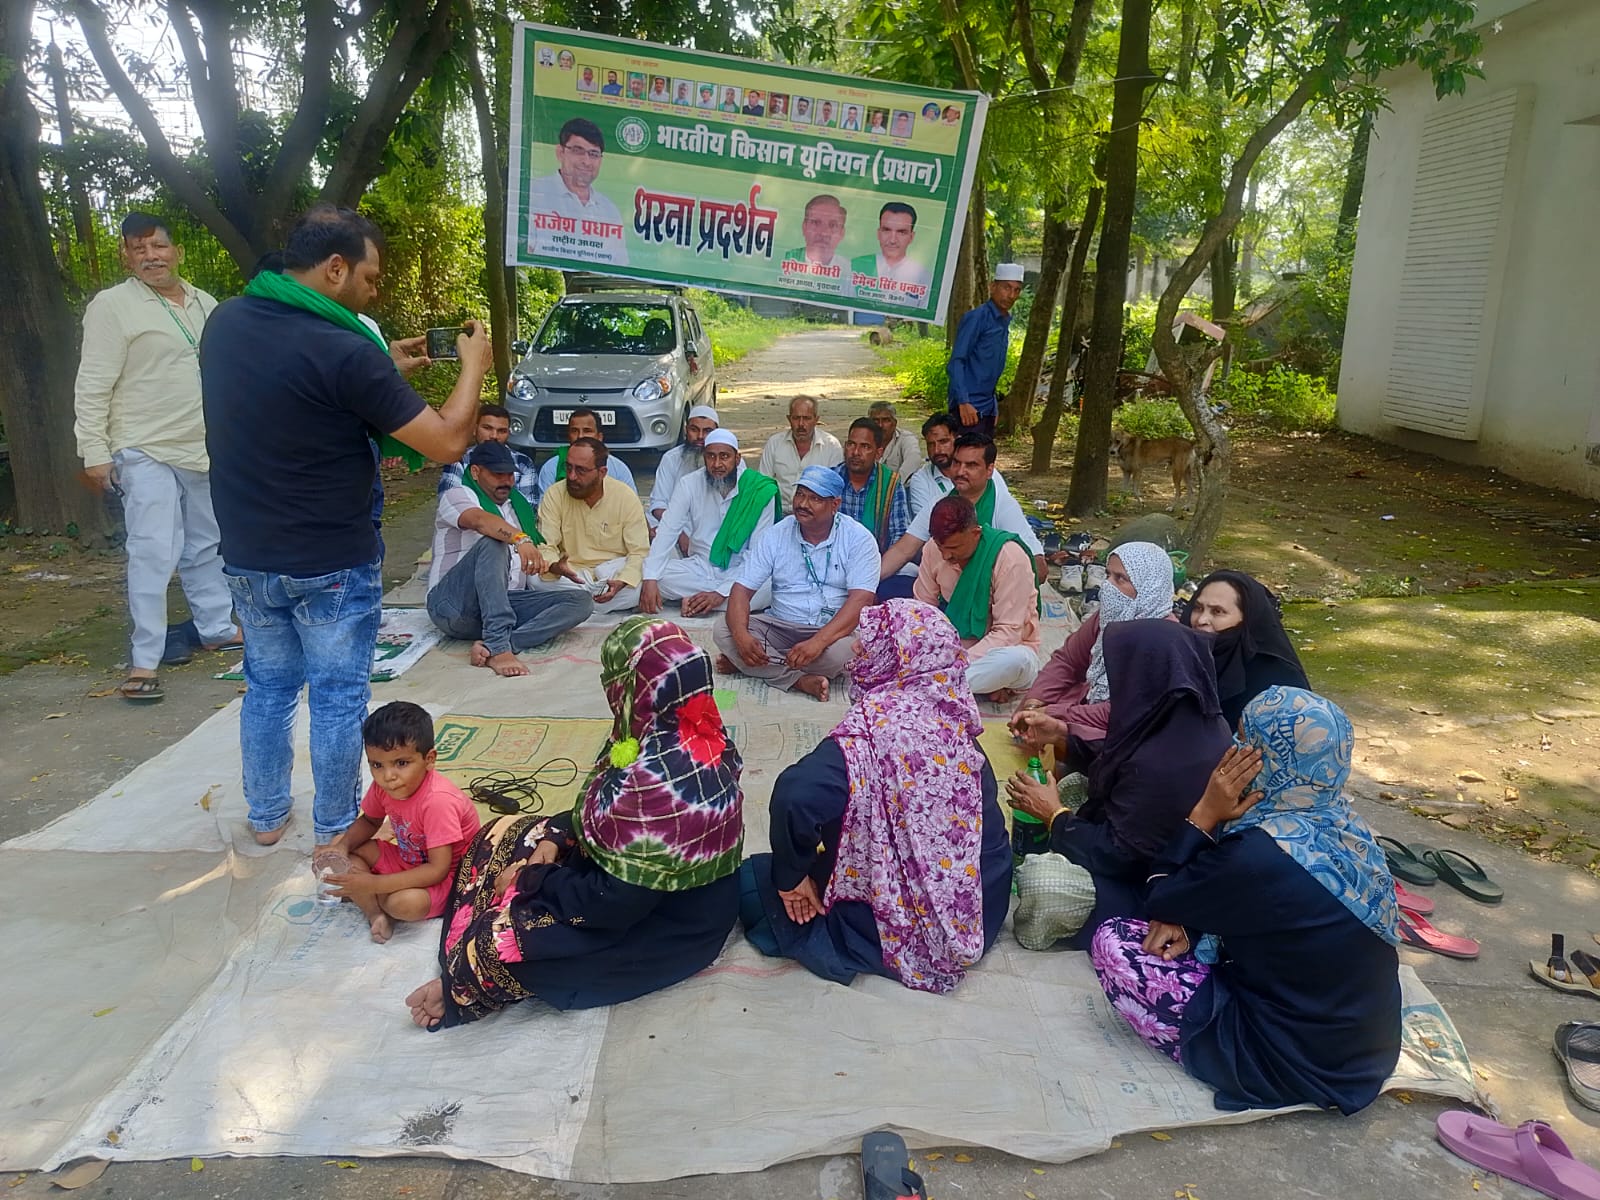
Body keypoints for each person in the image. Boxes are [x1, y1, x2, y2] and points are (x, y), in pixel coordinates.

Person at [202, 204, 489, 848]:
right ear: (336, 268)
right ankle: (336, 827)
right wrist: (474, 364)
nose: (374, 291)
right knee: (335, 698)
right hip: (329, 558)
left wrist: (382, 365)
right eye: (369, 278)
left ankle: (268, 815)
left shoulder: (226, 322)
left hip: (248, 553)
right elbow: (445, 442)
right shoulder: (345, 353)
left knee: (268, 689)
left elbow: (294, 394)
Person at [405, 619, 744, 1028]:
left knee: (497, 946)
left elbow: (610, 906)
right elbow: (604, 811)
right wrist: (559, 834)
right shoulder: (683, 729)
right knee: (505, 832)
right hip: (628, 885)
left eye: (615, 679)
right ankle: (479, 940)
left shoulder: (660, 783)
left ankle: (459, 983)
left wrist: (533, 880)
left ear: (634, 686)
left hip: (661, 926)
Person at [1086, 686, 1402, 1115]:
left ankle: (1216, 1054)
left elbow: (1159, 894)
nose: (1230, 751)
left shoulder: (1262, 853)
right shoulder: (1346, 826)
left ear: (1266, 755)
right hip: (1364, 1052)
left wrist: (1204, 813)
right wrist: (1193, 921)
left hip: (1292, 1061)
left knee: (1115, 941)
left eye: (1242, 739)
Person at [738, 599, 1012, 992]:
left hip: (907, 924)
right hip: (982, 906)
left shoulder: (872, 734)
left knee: (751, 883)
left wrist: (791, 876)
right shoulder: (954, 717)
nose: (856, 650)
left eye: (870, 644)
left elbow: (795, 795)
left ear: (894, 657)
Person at [74, 211, 238, 703]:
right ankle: (145, 658)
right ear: (127, 256)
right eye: (139, 249)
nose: (151, 257)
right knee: (152, 549)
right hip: (142, 445)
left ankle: (215, 626)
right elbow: (93, 382)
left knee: (207, 542)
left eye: (159, 247)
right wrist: (94, 451)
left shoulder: (204, 303)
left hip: (202, 445)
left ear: (176, 252)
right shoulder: (112, 306)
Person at [1005, 620, 1231, 947]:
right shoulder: (1183, 715)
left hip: (1147, 882)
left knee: (1042, 883)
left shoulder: (1165, 763)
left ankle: (1108, 923)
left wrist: (1054, 815)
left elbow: (1120, 854)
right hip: (1138, 832)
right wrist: (1061, 735)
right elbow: (1116, 754)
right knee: (1072, 785)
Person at [426, 441, 594, 677]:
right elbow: (481, 521)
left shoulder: (517, 506)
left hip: (501, 604)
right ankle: (499, 644)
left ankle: (497, 645)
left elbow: (529, 561)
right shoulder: (457, 495)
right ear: (476, 472)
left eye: (510, 475)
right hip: (453, 605)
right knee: (494, 541)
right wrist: (520, 539)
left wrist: (553, 566)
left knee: (581, 601)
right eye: (497, 474)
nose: (506, 481)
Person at [713, 466, 879, 701]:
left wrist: (817, 643)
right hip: (780, 625)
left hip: (830, 631)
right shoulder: (776, 534)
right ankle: (799, 680)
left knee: (845, 653)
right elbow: (741, 590)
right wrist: (741, 636)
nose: (803, 503)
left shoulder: (859, 539)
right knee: (723, 629)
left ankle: (754, 666)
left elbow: (861, 601)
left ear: (835, 504)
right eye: (800, 494)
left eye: (815, 498)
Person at [323, 702, 481, 944]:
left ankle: (369, 895)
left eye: (401, 763)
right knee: (340, 845)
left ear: (429, 759)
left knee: (404, 904)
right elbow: (369, 820)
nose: (388, 776)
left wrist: (374, 883)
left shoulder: (438, 801)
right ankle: (375, 913)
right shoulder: (384, 787)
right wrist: (342, 848)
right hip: (408, 858)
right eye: (377, 765)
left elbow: (438, 869)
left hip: (450, 876)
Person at [1010, 539, 1175, 749]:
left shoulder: (1165, 640)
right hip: (1086, 706)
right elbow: (1068, 660)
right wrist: (1034, 702)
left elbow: (1121, 712)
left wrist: (1052, 715)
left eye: (1120, 579)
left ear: (1149, 587)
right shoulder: (1105, 618)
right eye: (1107, 575)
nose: (1107, 586)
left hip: (1128, 731)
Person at [640, 430, 778, 616]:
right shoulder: (689, 484)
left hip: (741, 572)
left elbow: (757, 555)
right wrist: (650, 578)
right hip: (699, 567)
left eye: (724, 457)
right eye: (711, 457)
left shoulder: (759, 491)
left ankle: (694, 600)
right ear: (704, 458)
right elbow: (667, 531)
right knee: (652, 574)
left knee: (768, 589)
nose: (717, 464)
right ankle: (710, 601)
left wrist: (720, 593)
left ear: (737, 459)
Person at [915, 495, 1039, 701]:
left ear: (975, 533)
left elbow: (1008, 633)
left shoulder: (1010, 558)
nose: (945, 556)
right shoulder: (931, 550)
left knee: (1016, 660)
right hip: (951, 650)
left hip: (998, 654)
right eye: (941, 547)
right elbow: (922, 612)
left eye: (954, 548)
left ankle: (929, 689)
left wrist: (955, 662)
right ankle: (957, 687)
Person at [879, 434, 1045, 587]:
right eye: (956, 463)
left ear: (989, 470)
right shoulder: (940, 503)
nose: (960, 472)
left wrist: (995, 586)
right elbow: (903, 550)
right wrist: (865, 585)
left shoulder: (1003, 505)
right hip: (945, 594)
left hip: (992, 600)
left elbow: (1039, 567)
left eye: (971, 465)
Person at [530, 437, 649, 614]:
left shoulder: (625, 496)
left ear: (602, 472)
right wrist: (555, 566)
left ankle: (575, 604)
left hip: (611, 573)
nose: (571, 476)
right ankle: (591, 604)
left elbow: (639, 551)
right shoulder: (555, 494)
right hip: (571, 574)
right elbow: (546, 545)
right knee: (533, 578)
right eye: (568, 467)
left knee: (643, 581)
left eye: (581, 470)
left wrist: (623, 581)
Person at [1185, 569, 1309, 730]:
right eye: (1198, 608)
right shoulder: (1181, 658)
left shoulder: (1280, 679)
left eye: (1217, 611)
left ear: (1247, 618)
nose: (1201, 620)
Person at [526, 118, 627, 266]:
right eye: (578, 151)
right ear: (560, 152)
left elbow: (619, 267)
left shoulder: (610, 211)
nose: (586, 161)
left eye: (593, 154)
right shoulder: (533, 194)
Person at [947, 263, 1024, 439]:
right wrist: (963, 402)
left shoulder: (1003, 321)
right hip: (968, 407)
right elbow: (956, 362)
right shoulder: (977, 318)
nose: (1011, 295)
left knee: (983, 460)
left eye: (1016, 290)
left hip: (987, 406)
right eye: (1006, 288)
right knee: (966, 460)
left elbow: (989, 366)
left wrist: (993, 404)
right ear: (993, 287)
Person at [757, 395, 845, 514]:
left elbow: (834, 489)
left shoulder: (831, 446)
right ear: (789, 419)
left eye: (807, 418)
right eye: (796, 418)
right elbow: (763, 485)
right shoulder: (775, 443)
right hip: (778, 514)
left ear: (816, 419)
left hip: (816, 516)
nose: (801, 424)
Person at [436, 403, 538, 504]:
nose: (494, 436)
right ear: (475, 430)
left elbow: (529, 506)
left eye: (501, 431)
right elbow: (448, 501)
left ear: (508, 434)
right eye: (487, 428)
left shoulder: (522, 463)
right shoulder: (459, 460)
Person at [835, 417, 909, 553]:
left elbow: (899, 535)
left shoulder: (890, 484)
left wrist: (877, 569)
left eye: (865, 446)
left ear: (878, 453)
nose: (856, 452)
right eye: (851, 444)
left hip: (878, 563)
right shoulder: (830, 479)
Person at [647, 404, 719, 528]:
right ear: (686, 430)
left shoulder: (729, 462)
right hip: (676, 527)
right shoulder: (671, 459)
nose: (700, 436)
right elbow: (658, 504)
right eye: (694, 430)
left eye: (707, 431)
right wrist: (680, 534)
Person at [536, 406, 638, 493]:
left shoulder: (619, 469)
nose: (580, 436)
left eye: (587, 431)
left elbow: (631, 507)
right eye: (574, 431)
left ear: (599, 437)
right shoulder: (551, 468)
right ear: (568, 436)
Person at [849, 203, 933, 305]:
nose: (893, 240)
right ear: (878, 233)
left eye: (901, 232)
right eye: (887, 230)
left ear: (911, 237)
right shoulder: (855, 266)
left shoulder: (923, 276)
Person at [781, 195, 850, 282]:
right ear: (804, 227)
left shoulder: (849, 272)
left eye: (832, 225)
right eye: (816, 223)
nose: (823, 233)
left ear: (842, 233)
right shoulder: (785, 259)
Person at [868, 401, 924, 478]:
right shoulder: (862, 440)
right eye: (876, 420)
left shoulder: (906, 439)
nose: (880, 425)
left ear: (894, 423)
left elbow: (913, 462)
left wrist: (892, 486)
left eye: (886, 420)